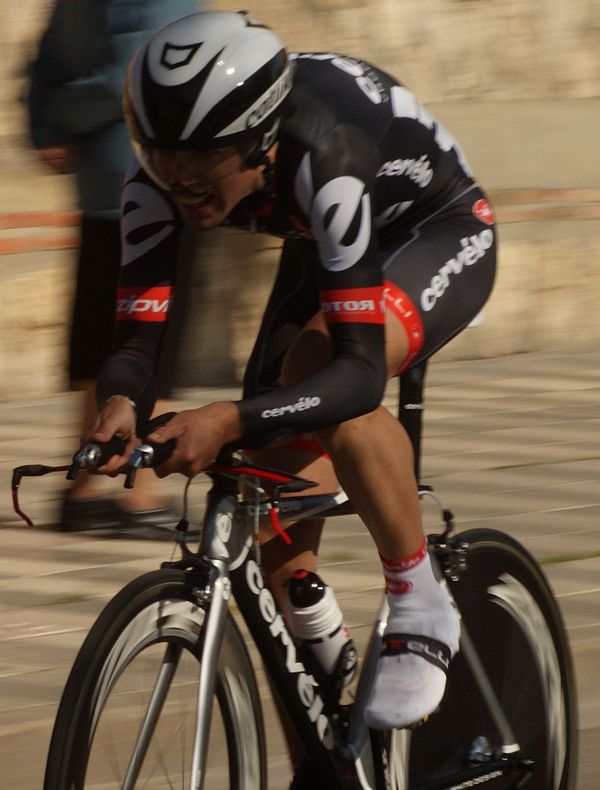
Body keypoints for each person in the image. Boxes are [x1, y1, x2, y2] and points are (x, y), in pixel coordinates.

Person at [88, 9, 497, 782]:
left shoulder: (325, 151)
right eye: (160, 154)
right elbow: (137, 341)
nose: (179, 178)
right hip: (325, 248)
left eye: (202, 159)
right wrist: (120, 402)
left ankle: (417, 595)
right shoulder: (160, 179)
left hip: (434, 232)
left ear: (258, 139)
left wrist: (225, 416)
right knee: (266, 493)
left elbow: (355, 373)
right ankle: (327, 732)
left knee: (318, 374)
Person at [26, 0, 199, 535]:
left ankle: (84, 485)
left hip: (99, 175)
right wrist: (61, 116)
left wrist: (49, 124)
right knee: (153, 327)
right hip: (154, 170)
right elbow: (139, 71)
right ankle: (137, 491)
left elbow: (43, 61)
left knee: (99, 326)